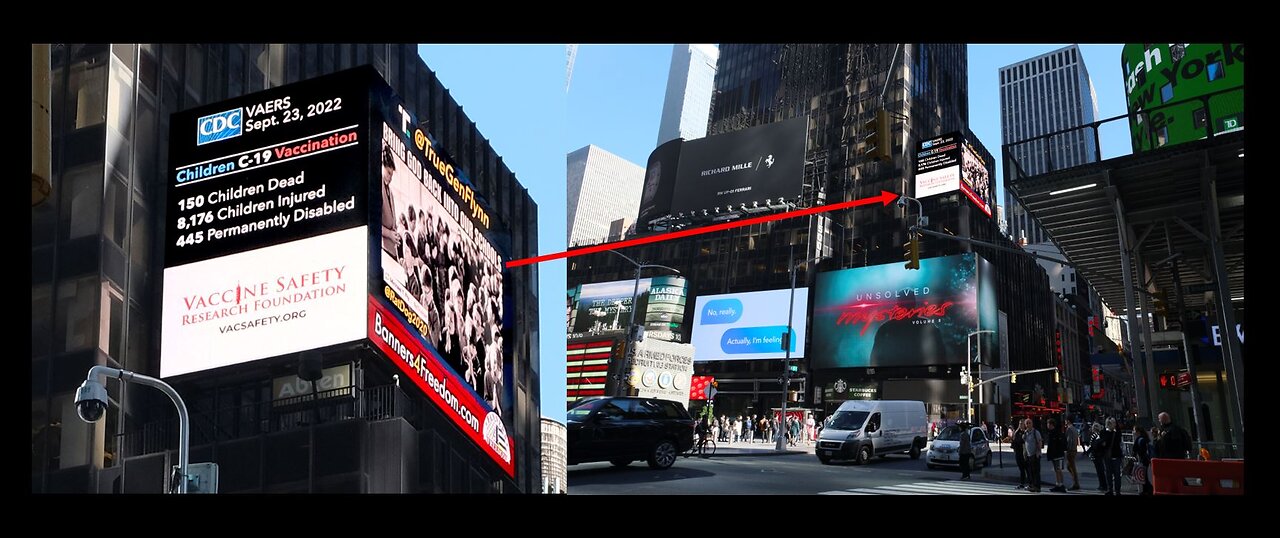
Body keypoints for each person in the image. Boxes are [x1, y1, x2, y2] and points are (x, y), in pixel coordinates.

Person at [380, 145, 400, 255]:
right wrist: (389, 234)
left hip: (391, 250)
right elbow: (373, 221)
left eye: (391, 175)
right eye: (388, 173)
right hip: (381, 247)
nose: (390, 178)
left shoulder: (390, 192)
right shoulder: (377, 186)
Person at [1045, 417, 1067, 492]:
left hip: (1058, 454)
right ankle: (1058, 484)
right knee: (1057, 470)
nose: (1047, 425)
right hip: (1055, 455)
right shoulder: (1052, 433)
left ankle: (1061, 485)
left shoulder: (1056, 433)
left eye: (1048, 424)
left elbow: (1058, 444)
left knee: (1058, 470)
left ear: (1051, 424)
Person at [1085, 422, 1109, 492]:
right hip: (1100, 454)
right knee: (1101, 471)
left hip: (1095, 455)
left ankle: (1102, 485)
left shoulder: (1094, 436)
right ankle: (1103, 485)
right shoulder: (1100, 435)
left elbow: (1091, 445)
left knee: (1099, 471)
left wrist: (1087, 452)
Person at [1022, 418, 1043, 492]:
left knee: (1036, 472)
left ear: (1032, 424)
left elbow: (1040, 442)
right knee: (1030, 471)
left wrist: (1038, 452)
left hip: (1035, 454)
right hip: (1029, 455)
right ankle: (1032, 485)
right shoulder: (1025, 433)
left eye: (1029, 423)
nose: (1028, 425)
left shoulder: (1035, 432)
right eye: (1026, 423)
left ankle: (1037, 486)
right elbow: (1024, 442)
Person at [1104, 418, 1124, 495]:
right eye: (1113, 423)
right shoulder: (1106, 432)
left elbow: (1120, 443)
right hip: (1111, 456)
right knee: (1112, 474)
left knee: (1115, 474)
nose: (1115, 424)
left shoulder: (1117, 433)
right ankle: (1112, 490)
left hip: (1114, 455)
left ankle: (1115, 490)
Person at [1133, 424, 1153, 495]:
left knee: (1144, 475)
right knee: (1144, 475)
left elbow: (1139, 450)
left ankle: (1148, 489)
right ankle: (1147, 489)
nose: (1134, 432)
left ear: (1138, 431)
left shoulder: (1140, 439)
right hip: (1146, 459)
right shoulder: (1143, 438)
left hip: (1143, 459)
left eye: (1134, 430)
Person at [1062, 416, 1081, 490]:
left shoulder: (1069, 429)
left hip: (1071, 450)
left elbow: (1070, 440)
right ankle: (1075, 482)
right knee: (1070, 466)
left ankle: (1076, 483)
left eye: (1066, 421)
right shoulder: (1074, 429)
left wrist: (1068, 449)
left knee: (1072, 467)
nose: (1065, 422)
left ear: (1068, 421)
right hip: (1074, 449)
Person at [1011, 420, 1028, 489]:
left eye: (1022, 424)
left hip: (1024, 453)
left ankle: (1030, 483)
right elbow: (1014, 441)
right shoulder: (1017, 432)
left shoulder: (1026, 432)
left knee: (1027, 469)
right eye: (1020, 424)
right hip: (1018, 452)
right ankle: (1022, 483)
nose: (1021, 425)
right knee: (1021, 469)